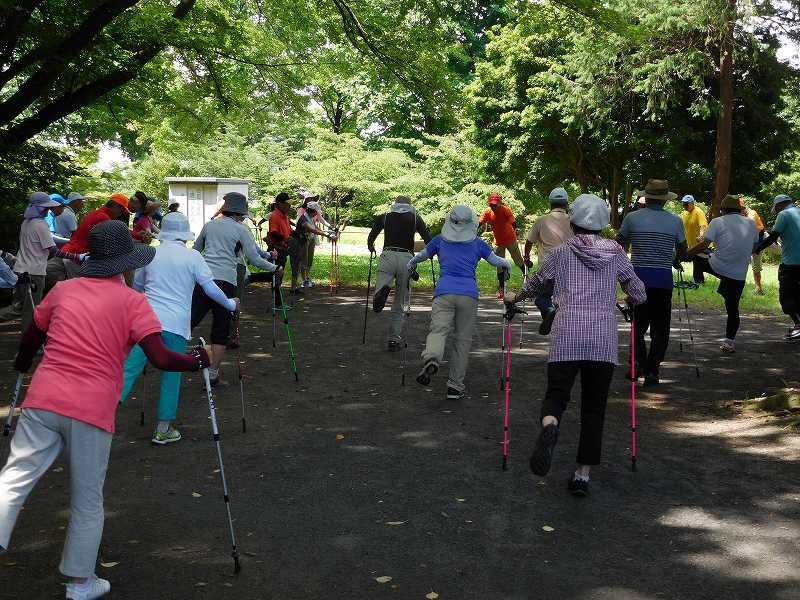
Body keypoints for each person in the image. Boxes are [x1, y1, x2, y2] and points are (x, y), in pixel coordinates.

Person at [0, 220, 209, 600]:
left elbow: (33, 334)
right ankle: (80, 583)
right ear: (126, 264)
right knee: (86, 498)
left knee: (12, 480)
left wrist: (22, 364)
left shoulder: (63, 290)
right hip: (91, 410)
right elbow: (161, 357)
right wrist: (197, 361)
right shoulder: (133, 303)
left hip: (43, 400)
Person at [504, 194, 646, 496]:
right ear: (603, 223)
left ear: (574, 221)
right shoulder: (617, 253)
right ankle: (582, 475)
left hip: (567, 333)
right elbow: (638, 290)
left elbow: (536, 283)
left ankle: (550, 425)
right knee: (595, 408)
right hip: (602, 339)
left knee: (556, 394)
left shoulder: (563, 252)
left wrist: (514, 298)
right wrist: (629, 299)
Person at [119, 212, 239, 444]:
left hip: (146, 322)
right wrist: (230, 303)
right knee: (171, 374)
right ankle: (163, 429)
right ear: (184, 235)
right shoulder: (193, 256)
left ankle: (100, 415)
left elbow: (138, 287)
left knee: (128, 369)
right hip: (175, 324)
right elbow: (211, 288)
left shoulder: (150, 254)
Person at [408, 205, 512, 400]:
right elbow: (496, 260)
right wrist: (507, 265)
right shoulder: (477, 243)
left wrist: (411, 263)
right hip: (468, 294)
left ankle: (432, 358)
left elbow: (422, 256)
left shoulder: (440, 240)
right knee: (462, 340)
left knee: (438, 330)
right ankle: (455, 385)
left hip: (444, 292)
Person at [191, 192, 280, 386]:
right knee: (221, 330)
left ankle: (170, 359)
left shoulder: (209, 225)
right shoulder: (241, 230)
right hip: (225, 282)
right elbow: (254, 258)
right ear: (240, 212)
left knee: (189, 322)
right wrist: (275, 268)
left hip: (204, 279)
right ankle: (213, 374)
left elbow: (195, 251)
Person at [616, 179, 687, 386]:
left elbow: (619, 244)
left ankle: (637, 362)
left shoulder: (632, 218)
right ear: (665, 200)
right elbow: (682, 250)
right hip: (663, 280)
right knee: (660, 328)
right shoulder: (675, 221)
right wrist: (672, 258)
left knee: (638, 325)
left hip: (637, 278)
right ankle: (653, 371)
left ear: (646, 198)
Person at [0, 193, 84, 333]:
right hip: (34, 273)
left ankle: (27, 345)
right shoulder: (41, 224)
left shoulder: (26, 222)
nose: (49, 210)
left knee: (19, 308)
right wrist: (78, 257)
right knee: (30, 310)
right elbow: (54, 251)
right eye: (46, 208)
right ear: (40, 209)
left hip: (21, 269)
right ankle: (27, 347)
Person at [686, 195, 759, 353]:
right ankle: (729, 342)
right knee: (733, 309)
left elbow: (704, 244)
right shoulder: (752, 223)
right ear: (739, 210)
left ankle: (698, 281)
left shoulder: (718, 221)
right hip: (738, 273)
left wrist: (685, 254)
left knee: (699, 257)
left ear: (723, 209)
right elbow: (754, 248)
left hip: (717, 266)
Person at [367, 195, 432, 350]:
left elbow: (372, 234)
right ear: (410, 205)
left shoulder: (386, 216)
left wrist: (371, 246)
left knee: (383, 279)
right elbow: (428, 239)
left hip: (388, 255)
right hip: (406, 258)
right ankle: (393, 340)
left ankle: (382, 290)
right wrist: (430, 253)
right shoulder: (415, 218)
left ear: (395, 204)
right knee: (400, 302)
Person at [523, 187, 574, 333]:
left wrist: (526, 257)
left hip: (547, 268)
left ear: (550, 204)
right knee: (565, 298)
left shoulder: (541, 221)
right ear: (566, 204)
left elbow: (529, 241)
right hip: (569, 268)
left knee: (541, 298)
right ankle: (560, 319)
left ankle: (549, 310)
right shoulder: (573, 221)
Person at [755, 194, 800, 340]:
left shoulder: (784, 214)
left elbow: (773, 237)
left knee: (786, 297)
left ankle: (798, 326)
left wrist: (757, 248)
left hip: (790, 264)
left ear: (780, 205)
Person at [479, 193, 524, 298]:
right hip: (499, 242)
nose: (493, 207)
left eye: (495, 204)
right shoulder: (487, 212)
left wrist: (516, 228)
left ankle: (527, 280)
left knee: (518, 260)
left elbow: (513, 221)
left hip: (510, 239)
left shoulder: (505, 210)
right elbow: (480, 223)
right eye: (491, 205)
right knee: (499, 265)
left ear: (499, 203)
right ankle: (502, 289)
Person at [62, 193, 130, 259]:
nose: (120, 214)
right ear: (116, 206)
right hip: (74, 257)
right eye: (121, 211)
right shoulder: (103, 218)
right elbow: (107, 245)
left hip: (69, 253)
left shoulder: (97, 213)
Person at [45, 192, 86, 292]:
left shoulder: (55, 215)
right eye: (62, 206)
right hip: (57, 250)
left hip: (54, 250)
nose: (82, 204)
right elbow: (75, 235)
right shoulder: (66, 214)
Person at [292, 200, 335, 295]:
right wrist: (327, 235)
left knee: (309, 260)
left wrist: (328, 232)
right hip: (301, 242)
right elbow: (311, 229)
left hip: (309, 240)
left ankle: (306, 278)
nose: (317, 213)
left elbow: (315, 227)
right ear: (313, 211)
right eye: (316, 212)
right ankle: (303, 281)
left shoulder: (310, 217)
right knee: (303, 261)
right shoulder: (303, 219)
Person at [268, 193, 301, 302]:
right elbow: (273, 234)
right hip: (276, 250)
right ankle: (277, 301)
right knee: (277, 276)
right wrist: (286, 239)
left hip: (283, 250)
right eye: (287, 204)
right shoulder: (275, 216)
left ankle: (277, 300)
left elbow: (290, 231)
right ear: (280, 204)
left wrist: (299, 235)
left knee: (279, 276)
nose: (289, 207)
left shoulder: (285, 216)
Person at [680, 194, 709, 284]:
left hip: (700, 244)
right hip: (691, 244)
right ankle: (699, 281)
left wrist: (701, 236)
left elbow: (703, 226)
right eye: (683, 204)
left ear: (692, 203)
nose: (684, 206)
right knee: (695, 260)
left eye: (686, 204)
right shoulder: (684, 213)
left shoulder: (698, 212)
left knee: (698, 261)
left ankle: (699, 281)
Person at [740, 198, 766, 295]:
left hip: (761, 240)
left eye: (741, 208)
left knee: (756, 266)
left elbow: (751, 231)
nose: (740, 210)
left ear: (744, 207)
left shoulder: (752, 214)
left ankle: (759, 289)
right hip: (752, 241)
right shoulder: (741, 215)